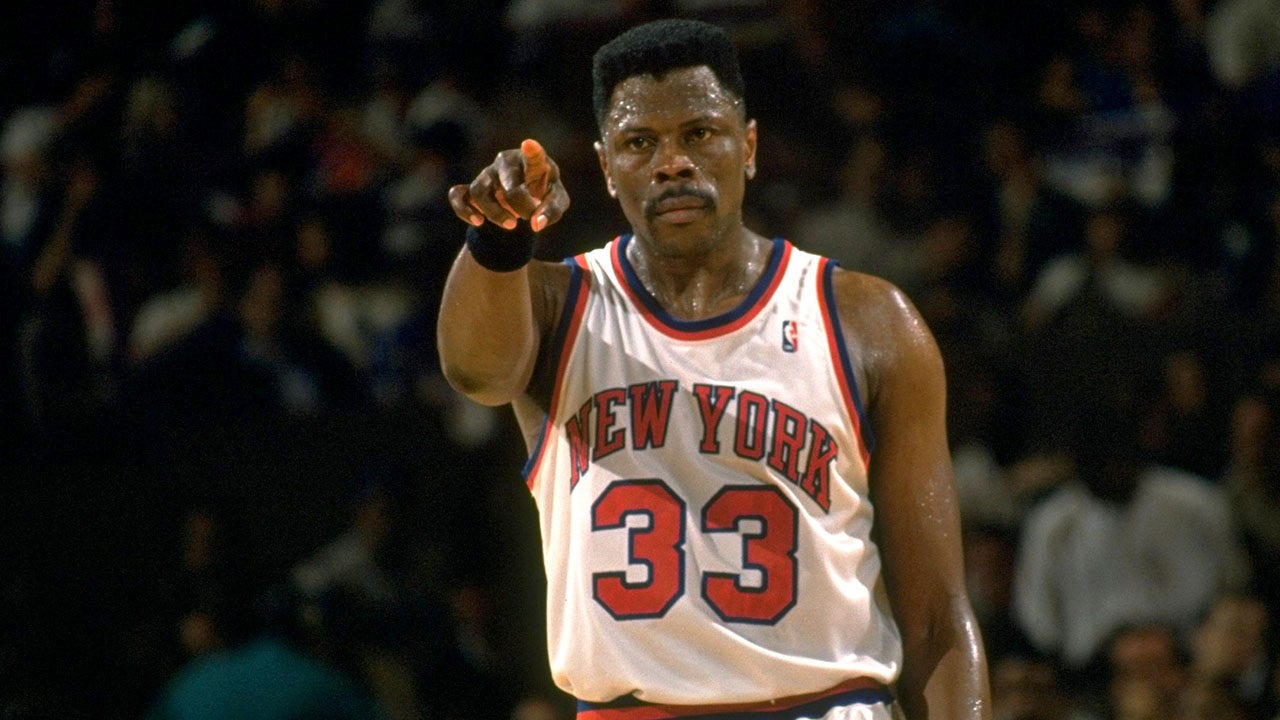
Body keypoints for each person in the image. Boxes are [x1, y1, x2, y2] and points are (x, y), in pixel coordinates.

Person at [438, 18, 990, 720]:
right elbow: (477, 373)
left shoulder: (869, 321)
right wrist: (497, 236)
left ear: (748, 146)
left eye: (699, 133)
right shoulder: (553, 303)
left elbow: (938, 620)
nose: (673, 163)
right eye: (640, 143)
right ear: (606, 167)